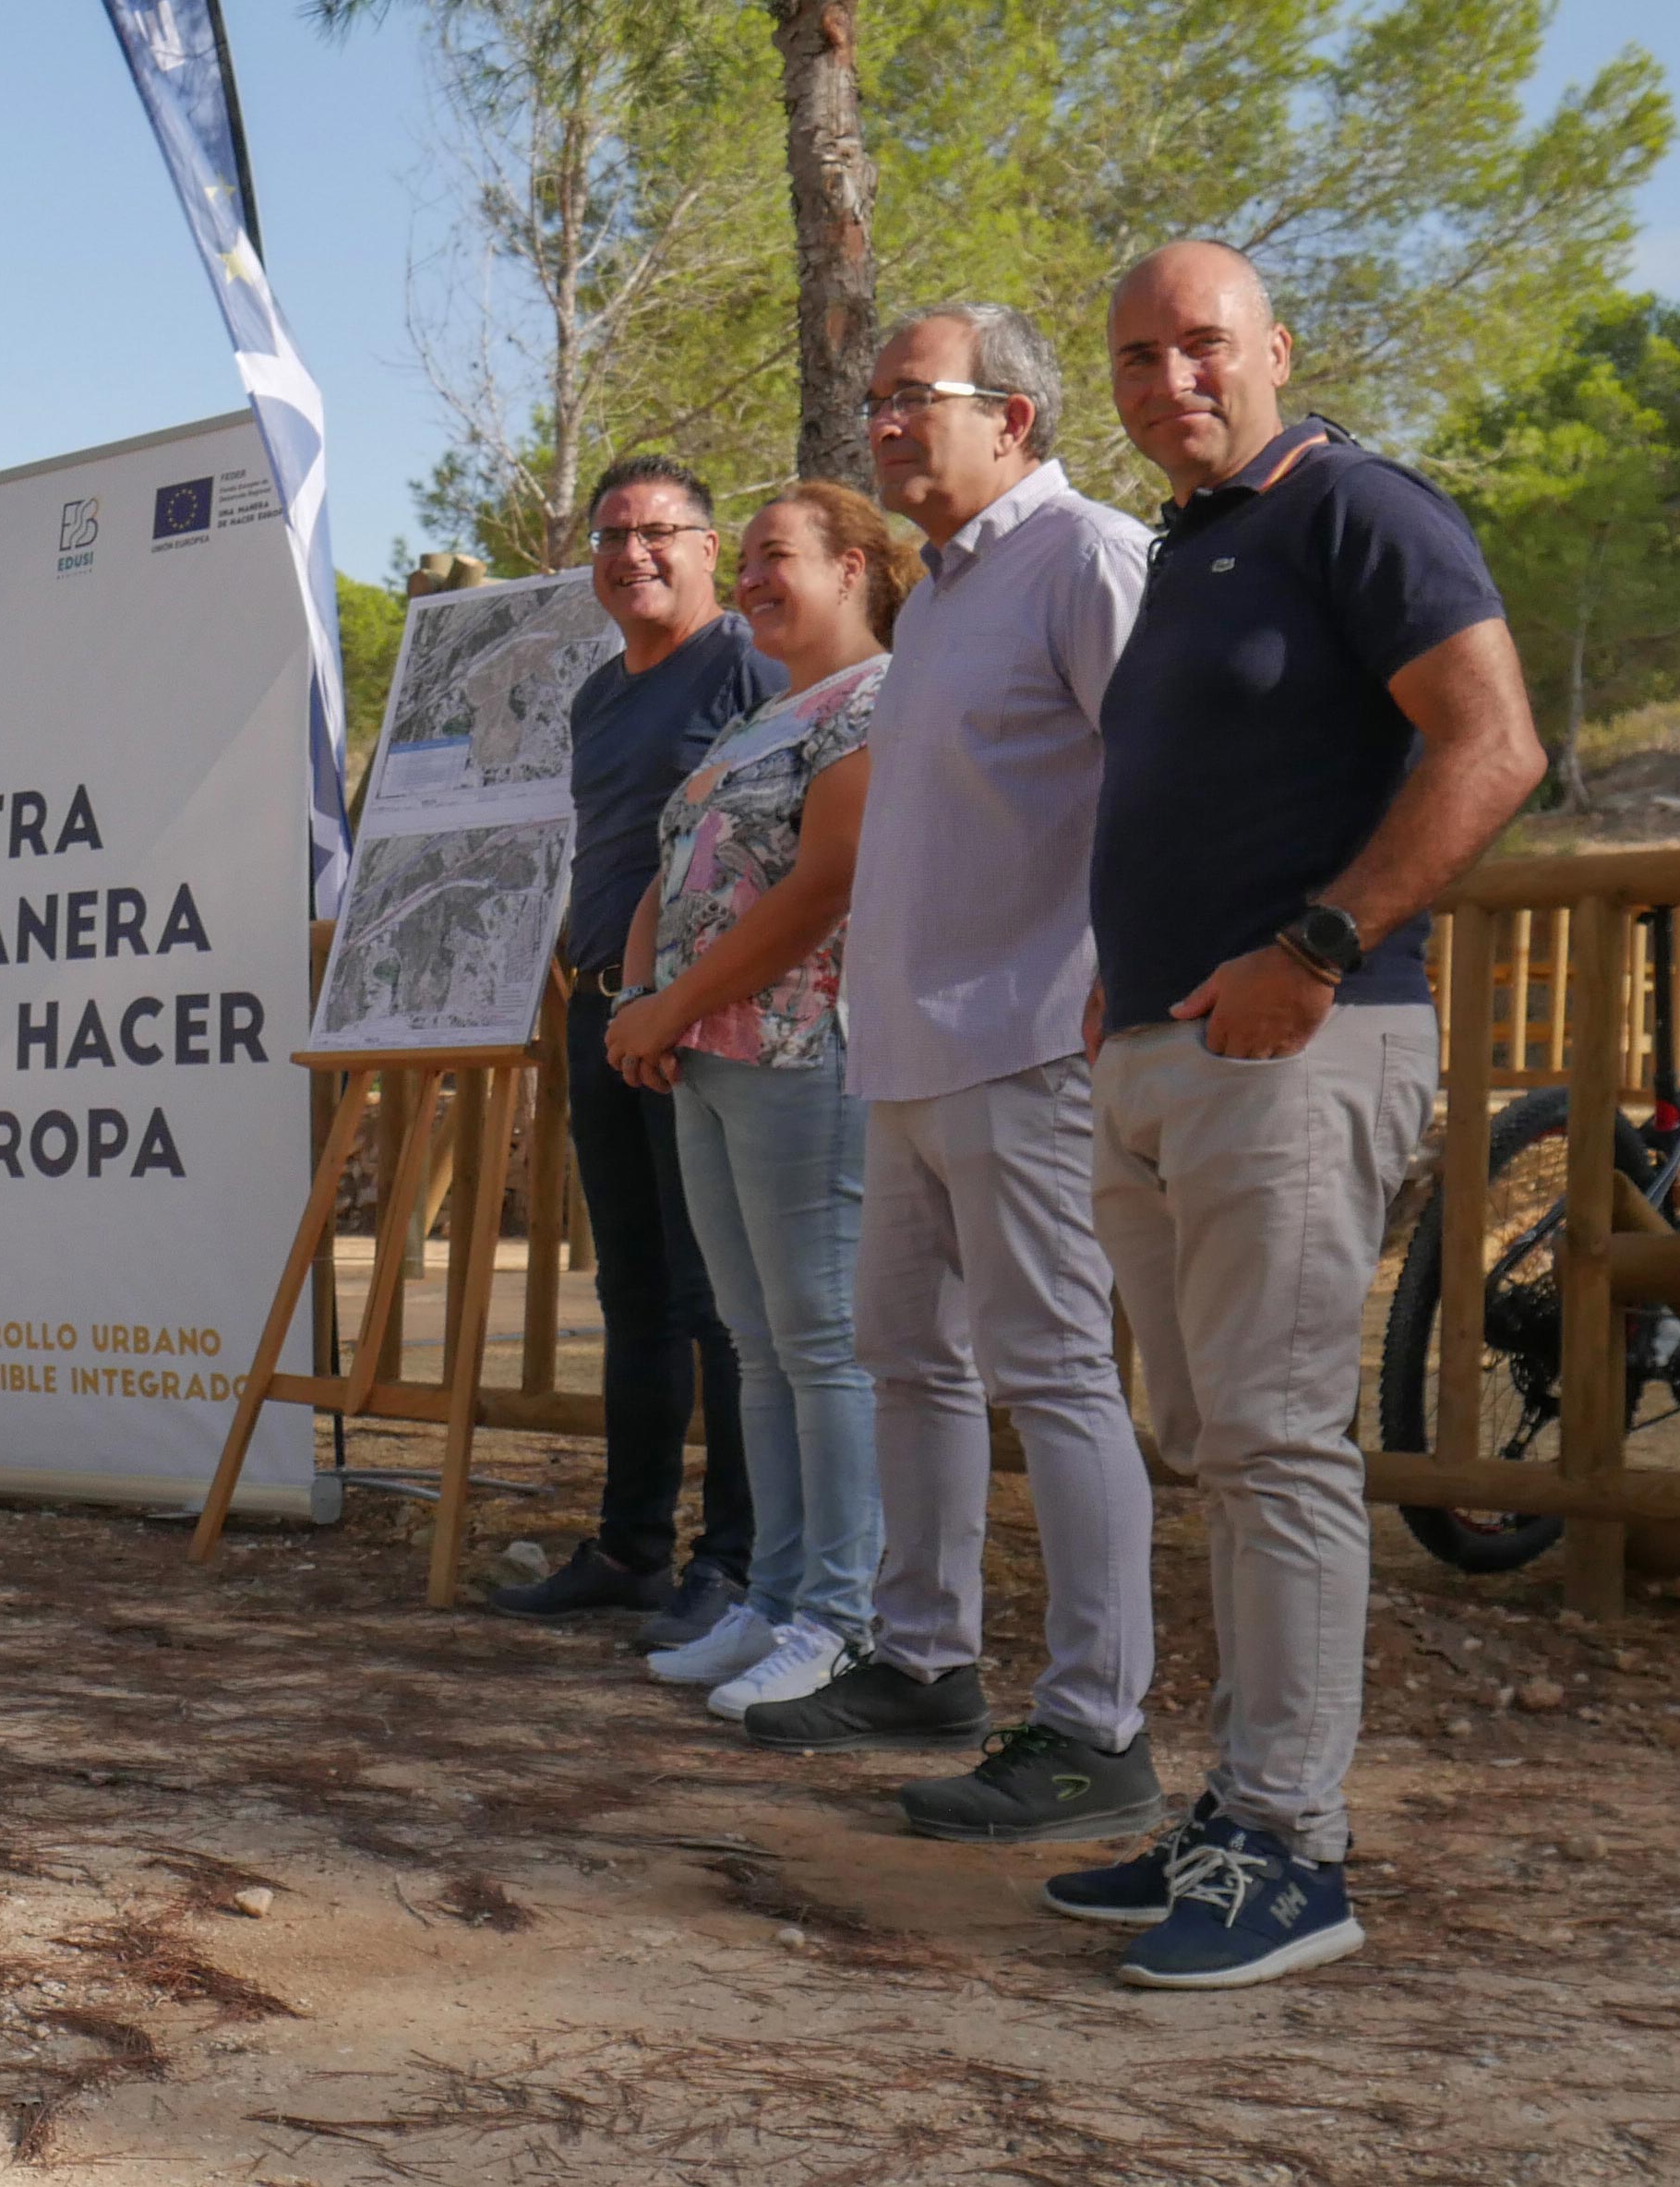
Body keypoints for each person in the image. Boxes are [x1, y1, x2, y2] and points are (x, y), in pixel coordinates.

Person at [1040, 241, 1542, 1990]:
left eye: (1198, 346)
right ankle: (1234, 1810)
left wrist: (1317, 945)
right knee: (1210, 1438)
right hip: (1161, 1055)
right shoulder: (1191, 545)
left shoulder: (1354, 508)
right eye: (1132, 356)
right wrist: (1128, 975)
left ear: (1271, 348)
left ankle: (1292, 1849)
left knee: (1271, 1444)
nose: (1167, 379)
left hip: (1294, 1047)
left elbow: (1489, 746)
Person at [739, 303, 1170, 1852]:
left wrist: (1120, 982)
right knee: (907, 1360)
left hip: (1033, 1035)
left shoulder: (1085, 558)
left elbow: (1158, 774)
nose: (882, 425)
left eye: (909, 397)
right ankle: (921, 1660)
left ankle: (1091, 1724)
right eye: (872, 404)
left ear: (1017, 417)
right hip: (906, 1044)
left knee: (1051, 1370)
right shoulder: (930, 607)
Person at [603, 482, 906, 1723]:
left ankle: (844, 1614)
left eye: (780, 558)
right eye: (754, 563)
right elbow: (670, 870)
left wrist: (667, 1009)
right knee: (758, 1344)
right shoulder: (763, 717)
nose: (757, 580)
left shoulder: (880, 701)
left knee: (821, 1340)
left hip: (804, 1060)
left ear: (853, 570)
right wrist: (640, 1003)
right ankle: (777, 1601)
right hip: (702, 1060)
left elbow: (825, 883)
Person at [488, 454, 767, 1640]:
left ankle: (737, 1563)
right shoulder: (598, 694)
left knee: (719, 1301)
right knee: (634, 1289)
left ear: (709, 546)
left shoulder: (747, 663)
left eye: (658, 531)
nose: (631, 553)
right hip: (598, 1007)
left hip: (702, 1014)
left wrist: (682, 994)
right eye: (610, 537)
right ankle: (630, 1547)